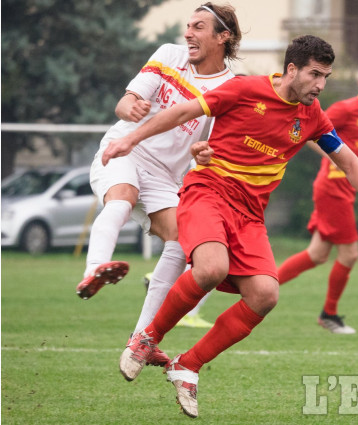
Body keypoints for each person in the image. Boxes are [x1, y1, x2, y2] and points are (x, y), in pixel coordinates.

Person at [102, 35, 358, 418]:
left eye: (325, 76)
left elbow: (351, 161)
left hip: (250, 213)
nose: (320, 85)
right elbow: (181, 113)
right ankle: (146, 339)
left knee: (264, 295)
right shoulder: (243, 88)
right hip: (208, 192)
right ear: (292, 69)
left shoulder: (312, 116)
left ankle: (187, 365)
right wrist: (131, 139)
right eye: (315, 75)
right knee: (210, 268)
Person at [75, 3, 241, 363]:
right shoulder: (169, 55)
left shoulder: (231, 87)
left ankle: (142, 341)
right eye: (187, 26)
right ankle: (93, 270)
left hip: (165, 177)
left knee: (183, 243)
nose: (188, 33)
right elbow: (127, 101)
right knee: (121, 198)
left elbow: (214, 145)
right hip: (123, 152)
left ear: (223, 37)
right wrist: (129, 107)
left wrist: (205, 153)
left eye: (198, 27)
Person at [277, 58, 358, 334]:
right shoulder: (345, 109)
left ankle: (262, 284)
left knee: (317, 254)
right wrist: (335, 160)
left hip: (347, 188)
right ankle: (329, 314)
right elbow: (309, 133)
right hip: (333, 188)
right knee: (350, 254)